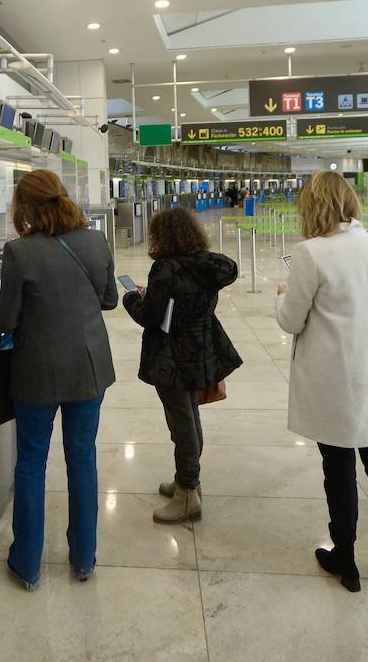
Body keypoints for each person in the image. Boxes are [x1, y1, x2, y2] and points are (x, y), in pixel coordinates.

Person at [275, 171, 368, 596]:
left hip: (335, 379)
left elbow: (290, 319)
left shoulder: (311, 253)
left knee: (338, 467)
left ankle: (346, 558)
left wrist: (282, 294)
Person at [0, 169, 118, 590]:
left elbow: (6, 320)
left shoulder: (19, 253)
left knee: (31, 462)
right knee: (82, 458)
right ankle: (84, 559)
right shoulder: (96, 240)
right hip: (88, 367)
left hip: (36, 373)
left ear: (24, 207)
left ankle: (27, 565)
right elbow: (109, 300)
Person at [123, 208, 241, 524]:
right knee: (189, 414)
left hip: (172, 356)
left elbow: (149, 316)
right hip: (201, 350)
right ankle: (188, 479)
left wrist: (132, 299)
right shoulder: (208, 267)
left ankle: (187, 493)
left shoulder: (165, 269)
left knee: (181, 423)